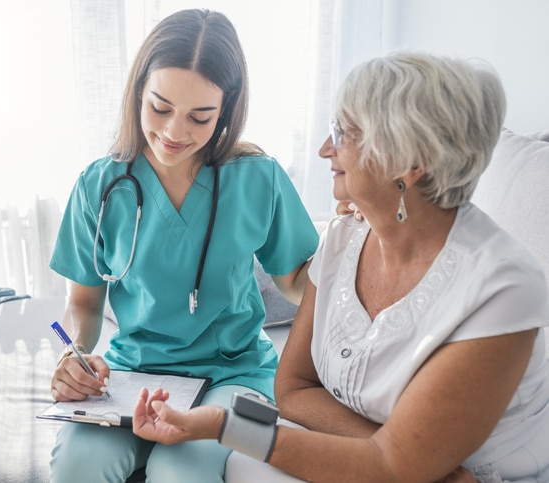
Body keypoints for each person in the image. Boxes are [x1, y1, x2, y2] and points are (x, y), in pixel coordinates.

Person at [132, 51, 549, 482]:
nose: (325, 149)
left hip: (481, 476)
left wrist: (225, 425)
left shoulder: (502, 288)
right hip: (406, 466)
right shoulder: (345, 237)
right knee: (245, 466)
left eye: (344, 133)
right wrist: (408, 456)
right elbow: (293, 390)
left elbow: (390, 468)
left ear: (411, 161)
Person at [48, 8, 319, 482]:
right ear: (137, 93)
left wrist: (362, 248)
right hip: (132, 374)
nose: (174, 132)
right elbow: (84, 303)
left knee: (181, 472)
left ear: (227, 111)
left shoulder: (259, 178)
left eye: (200, 117)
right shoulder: (99, 185)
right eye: (160, 107)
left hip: (238, 377)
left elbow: (299, 281)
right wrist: (75, 355)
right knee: (77, 465)